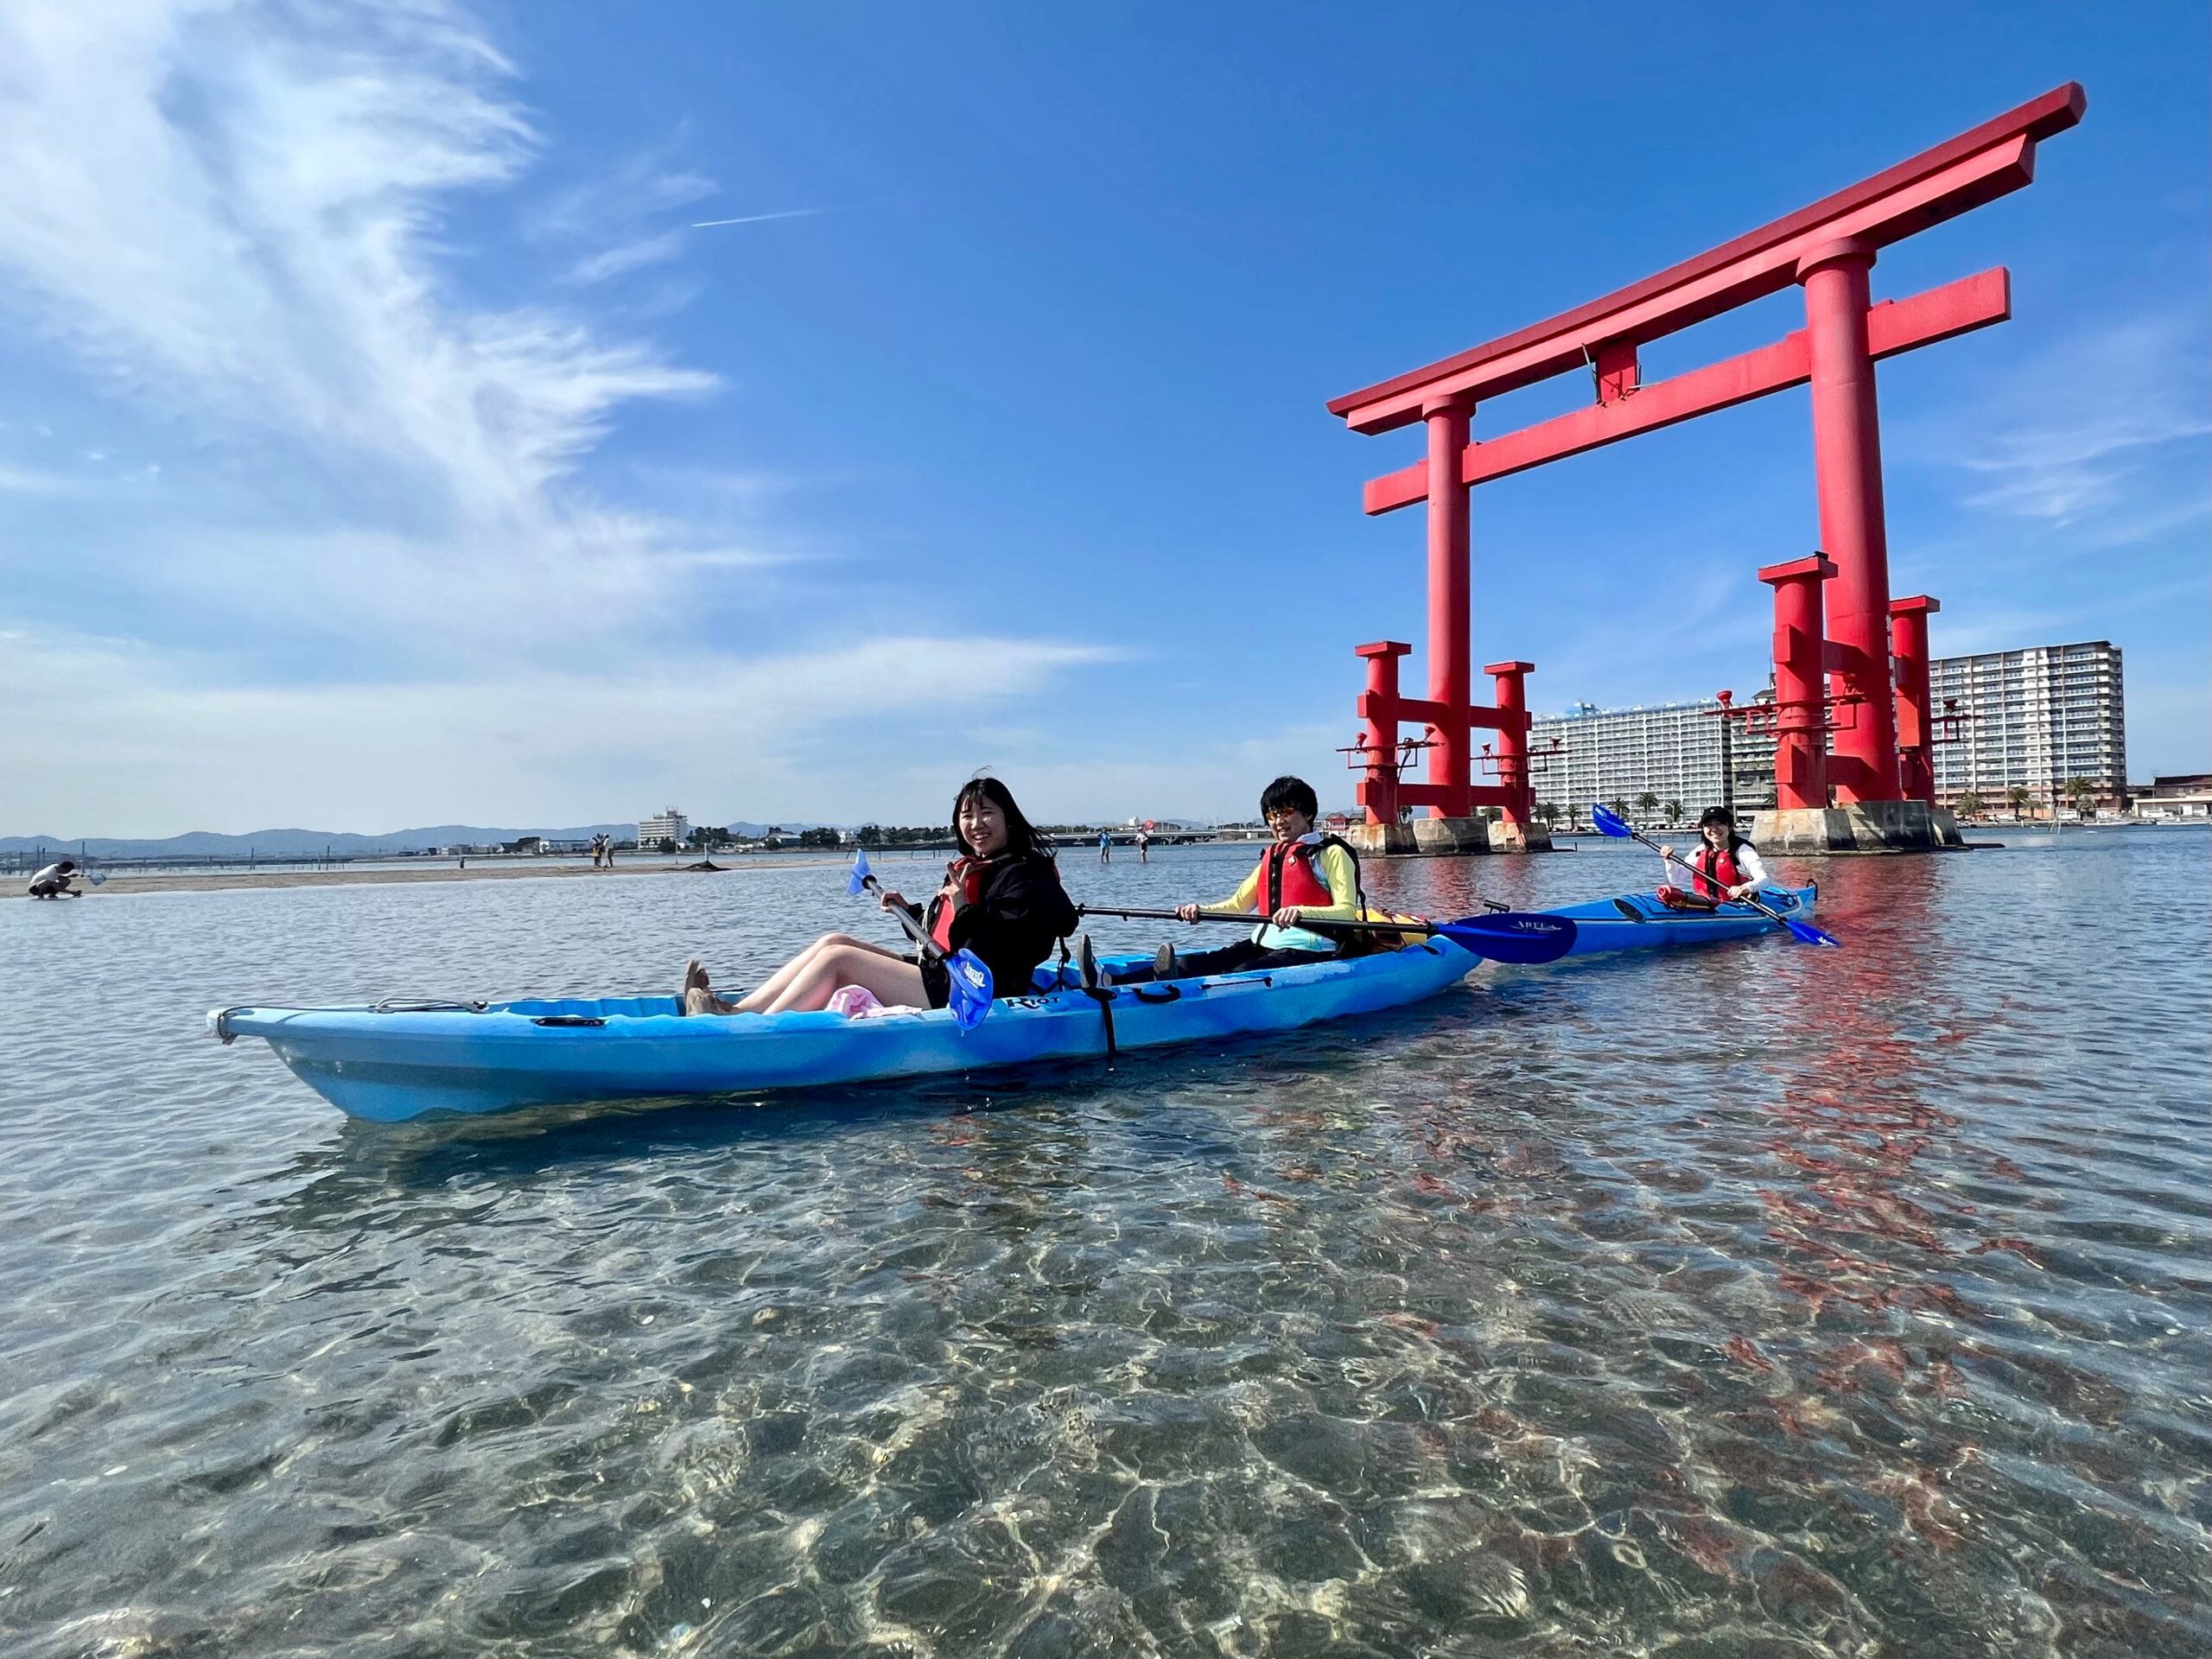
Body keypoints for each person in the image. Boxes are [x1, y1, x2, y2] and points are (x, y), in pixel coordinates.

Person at [680, 776, 1078, 1016]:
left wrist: (962, 909)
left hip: (973, 990)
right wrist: (912, 912)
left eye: (987, 814)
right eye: (967, 816)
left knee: (840, 960)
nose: (976, 825)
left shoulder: (1026, 875)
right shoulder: (978, 866)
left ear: (1008, 817)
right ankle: (738, 1011)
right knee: (833, 940)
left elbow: (993, 949)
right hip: (945, 973)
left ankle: (754, 1031)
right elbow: (944, 938)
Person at [1128, 777, 1378, 981]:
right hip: (1264, 944)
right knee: (1188, 964)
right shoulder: (1274, 856)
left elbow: (1346, 912)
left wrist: (1299, 912)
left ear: (1308, 813)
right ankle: (1109, 982)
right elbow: (1238, 905)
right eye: (1271, 815)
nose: (1278, 821)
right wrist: (1199, 909)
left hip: (1311, 950)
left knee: (1241, 975)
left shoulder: (1331, 854)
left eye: (1286, 812)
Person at [1656, 806, 1771, 909]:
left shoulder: (1743, 851)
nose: (1714, 829)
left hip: (1737, 905)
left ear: (1730, 827)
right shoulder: (1700, 851)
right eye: (1709, 825)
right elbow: (1676, 879)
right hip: (1706, 905)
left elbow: (1764, 880)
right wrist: (1669, 860)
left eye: (1719, 823)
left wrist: (1746, 888)